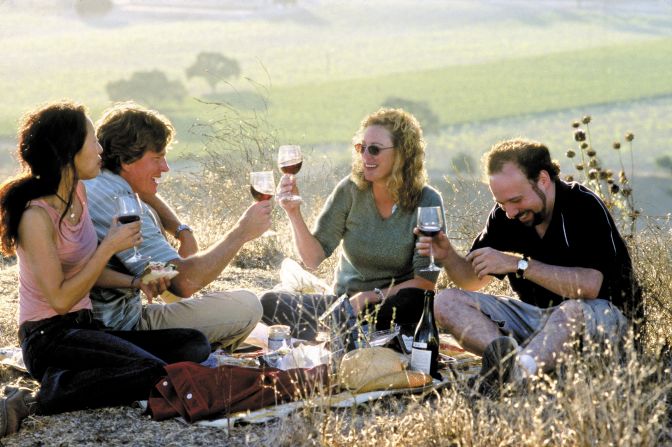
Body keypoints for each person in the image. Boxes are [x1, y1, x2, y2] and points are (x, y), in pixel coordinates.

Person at [0, 101, 210, 438]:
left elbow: (86, 272)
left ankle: (74, 376)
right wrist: (109, 246)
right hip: (49, 337)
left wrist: (135, 281)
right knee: (152, 371)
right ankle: (45, 395)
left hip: (86, 327)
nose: (100, 149)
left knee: (194, 345)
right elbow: (60, 299)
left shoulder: (78, 193)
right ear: (69, 151)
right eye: (92, 140)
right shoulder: (35, 216)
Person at [415, 138, 641, 396]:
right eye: (502, 204)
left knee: (571, 311)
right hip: (538, 321)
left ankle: (513, 379)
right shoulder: (506, 215)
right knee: (445, 302)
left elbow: (590, 287)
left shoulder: (582, 205)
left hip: (602, 319)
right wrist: (447, 256)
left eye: (516, 200)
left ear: (543, 179)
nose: (510, 212)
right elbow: (471, 280)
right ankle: (514, 364)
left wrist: (517, 264)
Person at [83, 102, 269, 350]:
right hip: (124, 329)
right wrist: (241, 232)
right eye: (157, 158)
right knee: (248, 306)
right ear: (127, 161)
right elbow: (184, 283)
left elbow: (146, 194)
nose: (165, 167)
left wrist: (181, 230)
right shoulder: (121, 203)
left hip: (104, 323)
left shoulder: (98, 182)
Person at [261, 108, 445, 341]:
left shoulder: (427, 201)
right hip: (343, 304)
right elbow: (312, 259)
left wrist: (370, 296)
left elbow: (426, 282)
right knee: (268, 303)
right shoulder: (350, 190)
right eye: (361, 148)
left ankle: (346, 333)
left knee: (415, 301)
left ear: (402, 154)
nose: (365, 156)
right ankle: (346, 330)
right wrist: (293, 212)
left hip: (394, 304)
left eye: (375, 149)